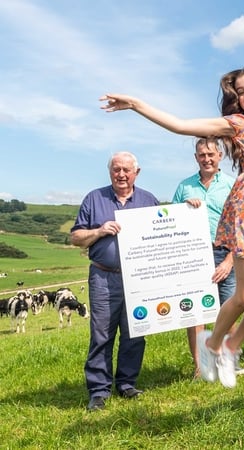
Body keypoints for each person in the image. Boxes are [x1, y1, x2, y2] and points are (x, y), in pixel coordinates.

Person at [100, 64, 244, 387]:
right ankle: (210, 346)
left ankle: (229, 347)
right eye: (241, 91)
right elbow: (181, 125)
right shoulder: (237, 124)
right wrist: (137, 105)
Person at [70, 152, 160, 411]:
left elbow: (166, 230)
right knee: (101, 334)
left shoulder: (148, 200)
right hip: (103, 276)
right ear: (110, 172)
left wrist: (190, 207)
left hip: (138, 277)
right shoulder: (94, 198)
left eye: (126, 170)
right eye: (116, 169)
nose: (121, 174)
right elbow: (76, 237)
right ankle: (98, 390)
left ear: (137, 172)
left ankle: (126, 383)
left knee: (135, 331)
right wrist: (99, 231)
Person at [172, 137, 243, 377]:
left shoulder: (232, 185)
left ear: (220, 156)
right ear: (196, 158)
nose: (207, 159)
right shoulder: (184, 187)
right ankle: (200, 366)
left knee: (229, 308)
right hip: (193, 254)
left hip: (225, 252)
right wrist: (184, 209)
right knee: (195, 311)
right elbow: (172, 222)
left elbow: (241, 225)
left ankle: (229, 361)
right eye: (202, 155)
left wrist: (229, 260)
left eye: (211, 154)